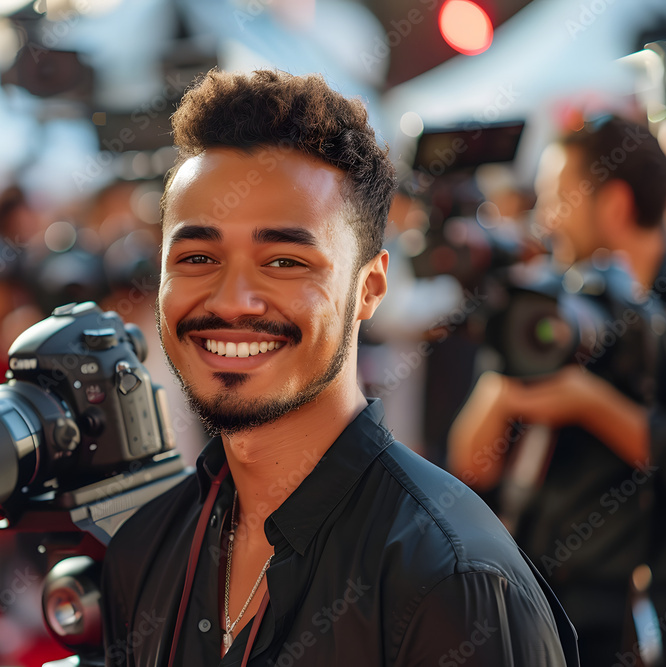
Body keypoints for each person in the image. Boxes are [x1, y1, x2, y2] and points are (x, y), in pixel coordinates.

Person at [100, 69, 577, 667]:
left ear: (369, 287)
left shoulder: (451, 579)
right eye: (198, 256)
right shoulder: (145, 552)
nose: (231, 300)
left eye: (284, 260)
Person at [450, 115, 666, 665]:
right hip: (533, 598)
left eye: (559, 199)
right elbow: (468, 466)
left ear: (615, 206)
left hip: (645, 615)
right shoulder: (542, 308)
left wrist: (592, 405)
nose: (545, 219)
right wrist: (504, 390)